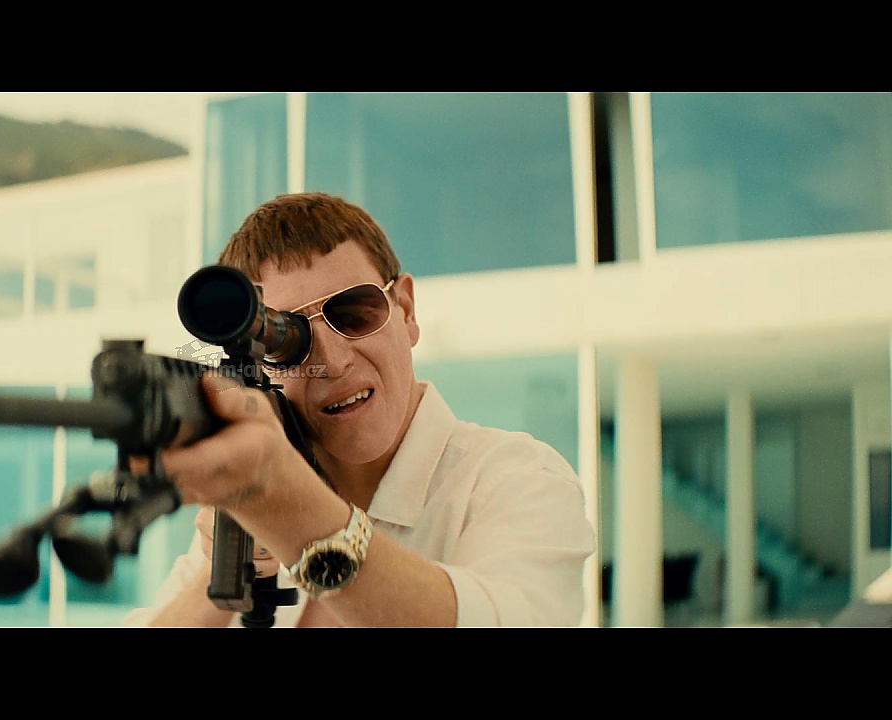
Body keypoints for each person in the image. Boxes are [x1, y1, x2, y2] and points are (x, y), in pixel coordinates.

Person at [122, 192, 596, 627]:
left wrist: (290, 509)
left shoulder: (518, 479)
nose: (333, 361)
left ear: (405, 310)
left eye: (354, 313)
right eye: (288, 343)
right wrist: (219, 579)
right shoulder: (259, 499)